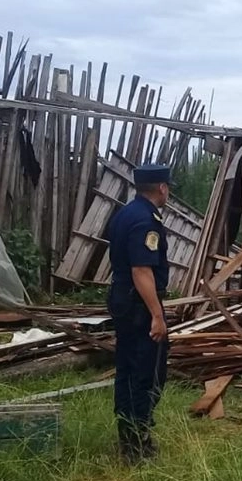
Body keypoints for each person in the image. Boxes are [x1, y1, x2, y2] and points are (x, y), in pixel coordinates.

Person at [107, 164, 173, 463]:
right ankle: (139, 442)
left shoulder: (125, 213)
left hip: (123, 300)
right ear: (162, 187)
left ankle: (127, 437)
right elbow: (141, 270)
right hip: (139, 305)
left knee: (127, 369)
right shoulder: (146, 220)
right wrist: (157, 316)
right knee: (147, 372)